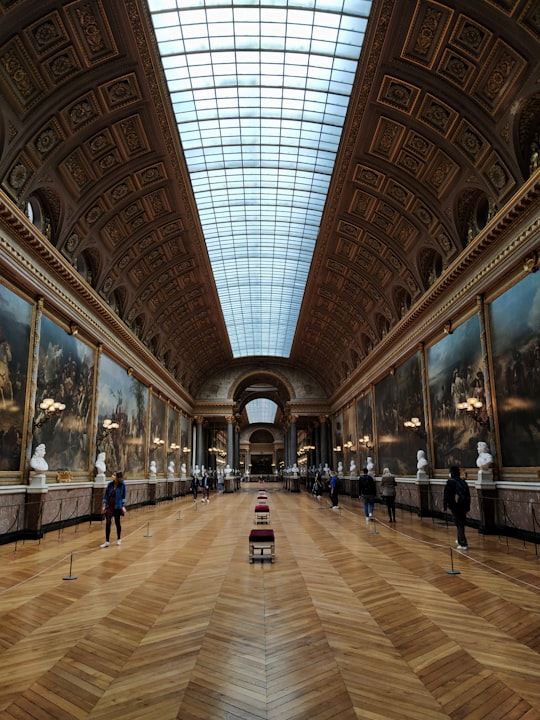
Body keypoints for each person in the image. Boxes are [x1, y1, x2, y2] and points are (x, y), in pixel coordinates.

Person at [443, 465, 470, 550]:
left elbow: (446, 495)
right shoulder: (462, 482)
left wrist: (444, 506)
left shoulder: (450, 482)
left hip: (455, 506)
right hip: (464, 505)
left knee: (459, 524)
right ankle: (459, 540)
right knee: (461, 522)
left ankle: (463, 543)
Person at [100, 471, 126, 547]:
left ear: (118, 477)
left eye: (114, 475)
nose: (113, 476)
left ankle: (119, 539)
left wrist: (123, 506)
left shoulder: (122, 485)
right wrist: (104, 505)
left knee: (117, 522)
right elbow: (106, 495)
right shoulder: (110, 484)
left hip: (117, 505)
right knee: (108, 522)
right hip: (109, 505)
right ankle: (107, 541)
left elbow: (123, 496)